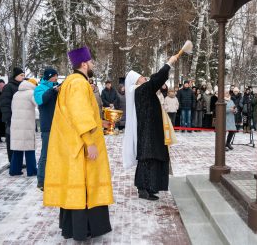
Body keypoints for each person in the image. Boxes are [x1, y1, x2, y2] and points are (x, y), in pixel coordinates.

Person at [44, 46, 113, 241]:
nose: (92, 64)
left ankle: (77, 227)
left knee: (78, 188)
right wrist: (90, 142)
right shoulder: (78, 84)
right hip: (80, 146)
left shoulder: (72, 82)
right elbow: (80, 115)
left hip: (74, 143)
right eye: (91, 62)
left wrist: (100, 122)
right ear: (83, 63)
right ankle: (85, 229)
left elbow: (77, 113)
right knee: (85, 187)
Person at [122, 55, 178, 201]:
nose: (143, 78)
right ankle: (143, 188)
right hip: (148, 131)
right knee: (148, 158)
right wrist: (168, 63)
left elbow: (154, 82)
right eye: (141, 76)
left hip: (151, 129)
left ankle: (150, 187)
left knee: (152, 158)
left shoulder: (140, 90)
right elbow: (156, 80)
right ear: (136, 80)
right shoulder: (140, 90)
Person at [34, 68, 59, 190]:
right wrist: (53, 91)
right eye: (54, 76)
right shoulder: (40, 88)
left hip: (59, 126)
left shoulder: (57, 88)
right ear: (48, 76)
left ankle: (55, 178)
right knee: (45, 154)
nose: (56, 78)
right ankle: (41, 180)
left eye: (56, 76)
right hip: (47, 126)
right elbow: (40, 100)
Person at [9, 79, 38, 176]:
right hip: (27, 124)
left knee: (18, 148)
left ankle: (14, 170)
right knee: (29, 148)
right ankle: (32, 171)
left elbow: (12, 108)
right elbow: (37, 104)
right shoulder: (31, 93)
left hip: (16, 123)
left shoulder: (16, 94)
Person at [0, 67, 25, 162]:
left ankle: (18, 162)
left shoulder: (22, 86)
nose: (23, 77)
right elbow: (4, 103)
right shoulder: (9, 87)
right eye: (21, 75)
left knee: (19, 141)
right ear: (15, 76)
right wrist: (8, 118)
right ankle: (12, 161)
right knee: (11, 140)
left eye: (23, 75)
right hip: (11, 118)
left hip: (20, 118)